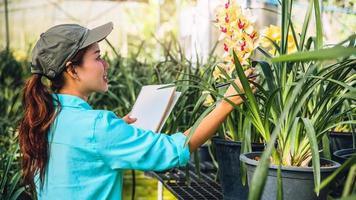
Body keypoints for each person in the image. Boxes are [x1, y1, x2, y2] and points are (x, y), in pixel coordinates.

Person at [18, 22, 256, 199]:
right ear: (72, 70)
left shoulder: (43, 118)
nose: (105, 64)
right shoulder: (97, 127)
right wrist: (227, 102)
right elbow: (175, 150)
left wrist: (113, 134)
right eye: (98, 57)